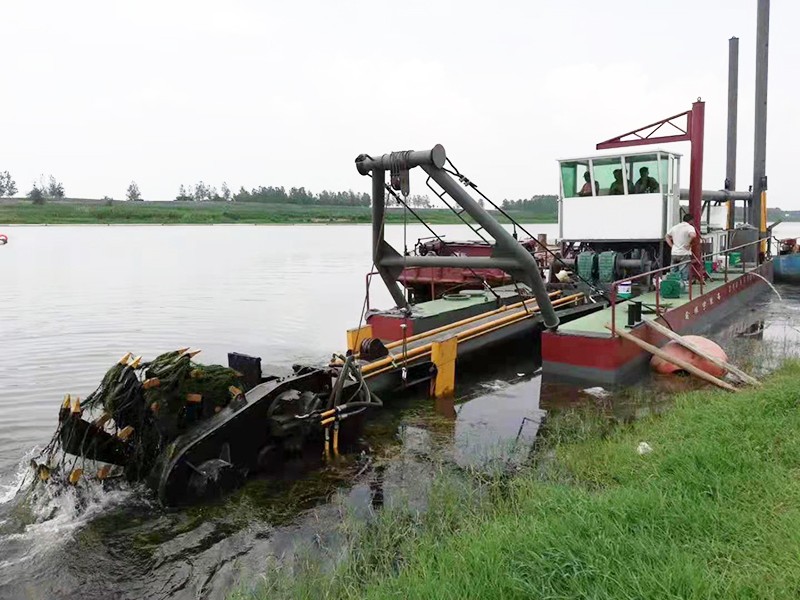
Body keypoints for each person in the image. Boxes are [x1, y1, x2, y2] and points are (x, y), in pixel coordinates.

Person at [665, 213, 697, 281]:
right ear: (691, 221)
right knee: (683, 272)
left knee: (673, 271)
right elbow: (693, 235)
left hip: (674, 252)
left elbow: (667, 236)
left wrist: (671, 245)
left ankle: (673, 285)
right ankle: (683, 285)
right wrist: (688, 244)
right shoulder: (689, 227)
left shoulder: (675, 227)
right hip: (684, 253)